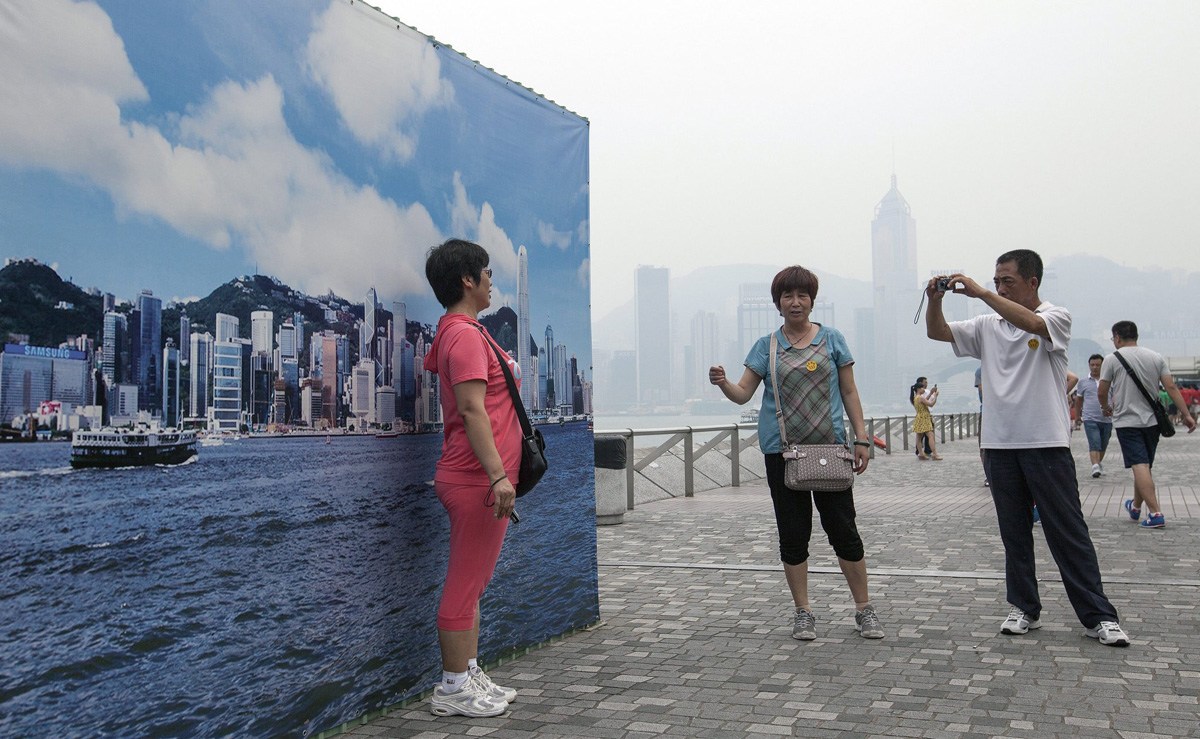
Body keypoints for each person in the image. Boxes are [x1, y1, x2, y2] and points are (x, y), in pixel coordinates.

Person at [924, 249, 1130, 647]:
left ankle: (1099, 616)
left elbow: (1034, 323)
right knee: (1013, 532)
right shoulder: (987, 325)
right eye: (996, 280)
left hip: (1046, 443)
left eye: (1008, 281)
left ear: (1032, 282)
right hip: (999, 445)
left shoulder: (1056, 316)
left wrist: (984, 293)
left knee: (1067, 532)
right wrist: (935, 301)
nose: (1000, 287)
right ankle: (1023, 607)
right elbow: (939, 332)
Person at [709, 265, 882, 641]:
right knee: (793, 532)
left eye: (802, 295)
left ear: (812, 300)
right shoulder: (765, 347)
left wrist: (862, 438)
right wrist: (723, 384)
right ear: (778, 303)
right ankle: (803, 611)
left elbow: (850, 392)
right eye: (788, 295)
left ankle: (864, 608)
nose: (795, 302)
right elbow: (744, 393)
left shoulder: (833, 340)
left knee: (843, 528)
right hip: (782, 452)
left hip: (832, 449)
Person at [423, 239, 521, 718]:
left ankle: (468, 670)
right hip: (475, 479)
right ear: (467, 279)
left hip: (481, 478)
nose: (491, 278)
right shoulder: (462, 336)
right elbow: (469, 407)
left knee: (474, 583)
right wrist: (499, 476)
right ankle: (452, 688)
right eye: (486, 271)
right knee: (464, 585)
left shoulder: (468, 332)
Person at [1097, 320, 1197, 529]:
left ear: (1117, 337)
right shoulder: (1155, 357)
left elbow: (1102, 390)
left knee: (1139, 465)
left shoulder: (1111, 359)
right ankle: (1135, 507)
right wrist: (1186, 414)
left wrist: (1105, 407)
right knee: (1143, 465)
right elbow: (1170, 386)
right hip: (1153, 422)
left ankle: (1156, 513)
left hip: (1127, 421)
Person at [1072, 354, 1113, 478]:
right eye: (1092, 365)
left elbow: (1115, 398)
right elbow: (1078, 401)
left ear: (1103, 365)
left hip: (1107, 419)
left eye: (1097, 365)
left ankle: (1098, 463)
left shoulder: (1109, 381)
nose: (1094, 367)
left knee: (1103, 443)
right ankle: (1095, 466)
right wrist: (1077, 416)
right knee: (1094, 442)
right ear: (1089, 365)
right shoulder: (1083, 382)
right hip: (1090, 418)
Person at [909, 377, 941, 460]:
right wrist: (935, 396)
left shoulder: (916, 398)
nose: (924, 388)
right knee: (930, 436)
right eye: (922, 387)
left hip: (919, 418)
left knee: (919, 437)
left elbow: (924, 402)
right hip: (925, 418)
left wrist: (931, 394)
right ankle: (935, 454)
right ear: (919, 389)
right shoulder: (921, 397)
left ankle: (921, 453)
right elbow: (930, 404)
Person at [976, 366, 989, 486]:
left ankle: (989, 477)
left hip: (986, 412)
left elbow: (982, 391)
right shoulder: (980, 370)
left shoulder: (980, 371)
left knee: (984, 447)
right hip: (987, 412)